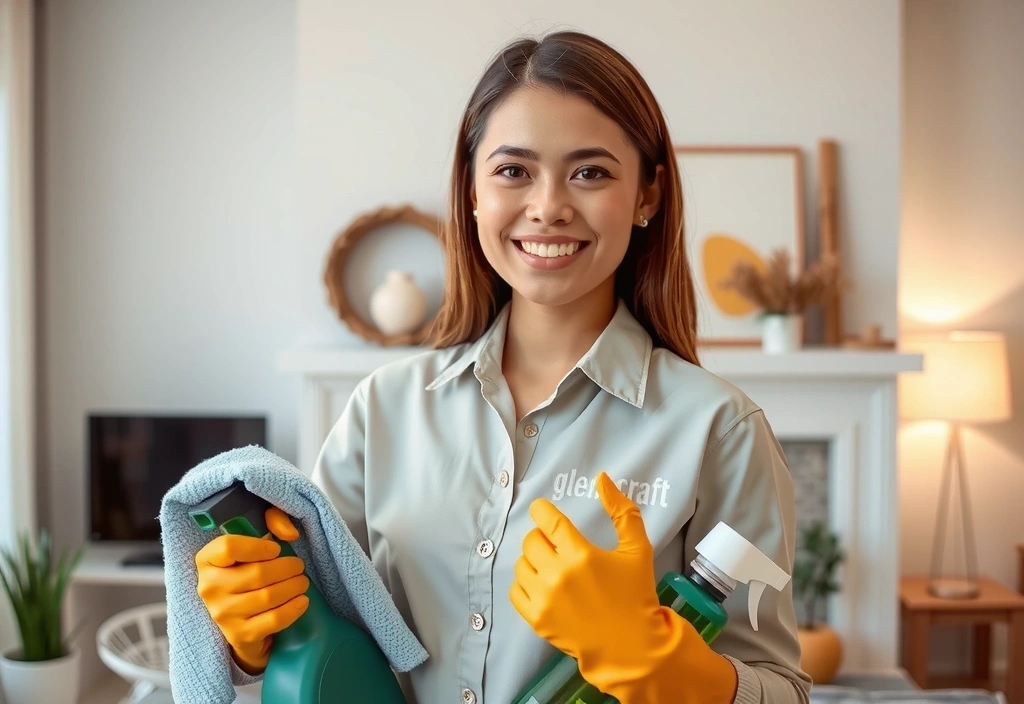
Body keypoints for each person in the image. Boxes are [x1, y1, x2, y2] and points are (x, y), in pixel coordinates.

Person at [194, 30, 812, 704]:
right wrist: (250, 636)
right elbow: (323, 639)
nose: (548, 206)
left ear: (647, 196)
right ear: (472, 192)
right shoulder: (383, 410)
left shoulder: (720, 431)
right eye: (514, 171)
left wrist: (661, 664)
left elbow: (784, 690)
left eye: (591, 172)